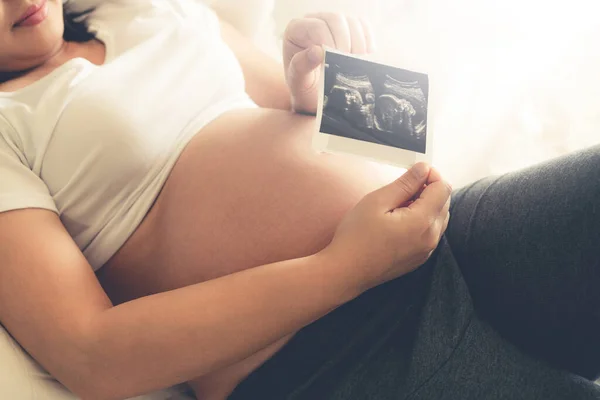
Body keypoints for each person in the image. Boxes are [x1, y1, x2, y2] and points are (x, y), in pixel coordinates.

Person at [0, 1, 598, 399]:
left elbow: (393, 140)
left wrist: (331, 79)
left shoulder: (145, 8)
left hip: (446, 230)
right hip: (333, 358)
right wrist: (343, 268)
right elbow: (89, 353)